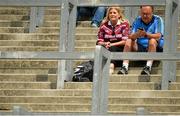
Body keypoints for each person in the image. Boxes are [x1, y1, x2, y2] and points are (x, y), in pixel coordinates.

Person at [118, 5, 164, 75]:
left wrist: (146, 34)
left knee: (152, 40)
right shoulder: (137, 20)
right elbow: (130, 36)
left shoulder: (158, 19)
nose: (145, 16)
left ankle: (148, 67)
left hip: (155, 47)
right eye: (143, 13)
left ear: (152, 12)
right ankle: (124, 66)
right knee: (129, 40)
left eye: (147, 14)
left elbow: (158, 36)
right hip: (140, 47)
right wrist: (137, 34)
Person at [97, 6, 130, 74]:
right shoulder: (103, 25)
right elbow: (99, 41)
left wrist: (112, 44)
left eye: (114, 13)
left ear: (119, 15)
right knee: (100, 48)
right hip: (107, 47)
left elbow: (125, 41)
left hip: (120, 48)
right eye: (110, 13)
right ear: (108, 15)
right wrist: (105, 43)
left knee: (113, 47)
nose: (112, 14)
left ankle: (111, 67)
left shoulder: (124, 24)